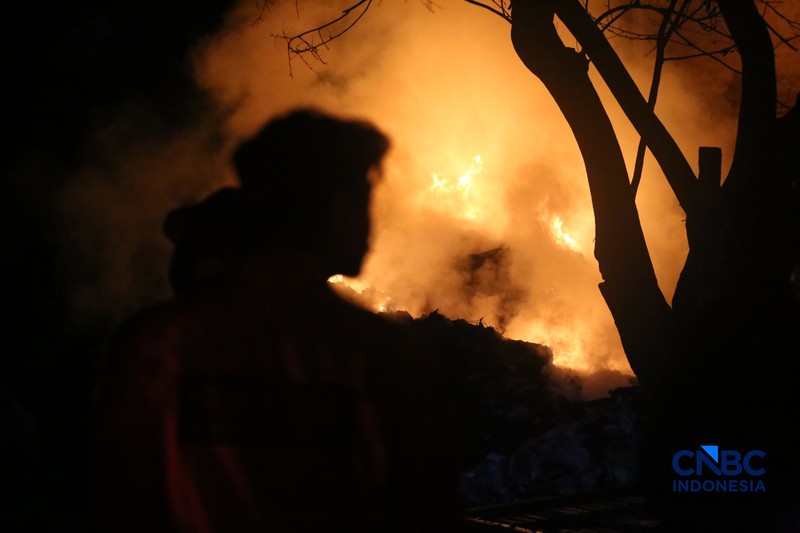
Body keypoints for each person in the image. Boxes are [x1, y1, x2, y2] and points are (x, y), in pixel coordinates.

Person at [91, 109, 461, 532]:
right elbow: (425, 513)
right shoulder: (386, 358)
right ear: (339, 208)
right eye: (363, 200)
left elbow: (118, 499)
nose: (370, 226)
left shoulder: (157, 346)